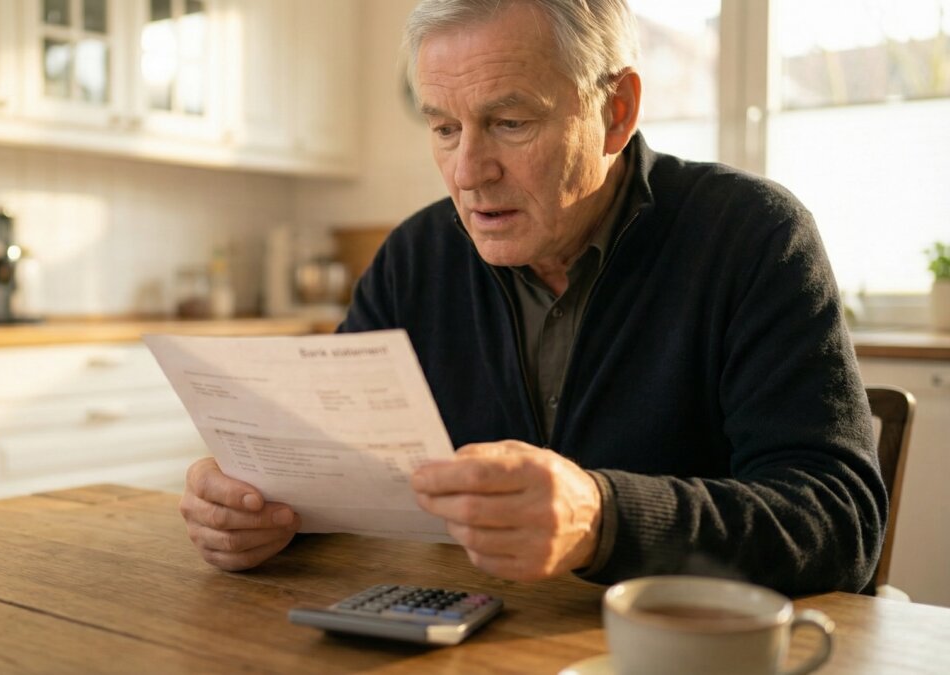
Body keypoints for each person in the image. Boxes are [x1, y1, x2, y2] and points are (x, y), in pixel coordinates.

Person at [179, 0, 887, 595]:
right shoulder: (414, 258)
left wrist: (602, 518)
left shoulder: (753, 235)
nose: (468, 172)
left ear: (617, 110)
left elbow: (838, 522)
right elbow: (327, 465)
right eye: (444, 127)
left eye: (510, 123)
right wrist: (254, 503)